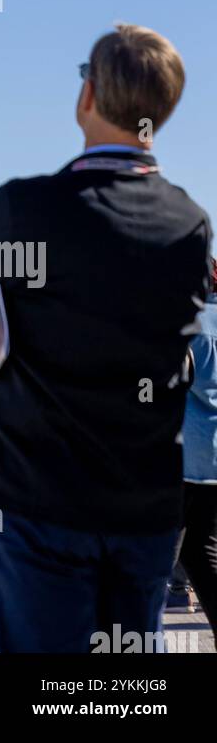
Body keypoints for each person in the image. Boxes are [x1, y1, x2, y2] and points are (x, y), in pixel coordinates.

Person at [0, 24, 211, 654]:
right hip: (143, 501)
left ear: (87, 95)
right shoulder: (190, 224)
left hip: (40, 496)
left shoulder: (21, 210)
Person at [178, 257, 217, 638]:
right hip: (214, 465)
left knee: (150, 567)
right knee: (205, 557)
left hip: (181, 460)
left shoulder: (186, 323)